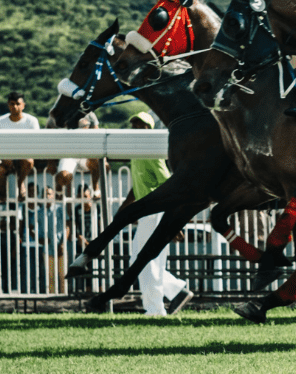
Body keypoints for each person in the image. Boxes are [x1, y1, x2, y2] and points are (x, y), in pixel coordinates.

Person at [122, 112, 193, 315]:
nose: (136, 128)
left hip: (156, 211)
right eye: (133, 124)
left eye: (140, 125)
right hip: (149, 211)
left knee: (145, 261)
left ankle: (155, 310)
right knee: (139, 260)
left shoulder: (152, 153)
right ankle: (177, 290)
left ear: (149, 129)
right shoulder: (138, 153)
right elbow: (139, 185)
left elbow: (169, 185)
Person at [0, 91, 39, 202]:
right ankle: (2, 190)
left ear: (23, 105)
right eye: (12, 103)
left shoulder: (31, 121)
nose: (14, 106)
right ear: (8, 105)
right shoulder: (0, 121)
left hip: (23, 158)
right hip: (6, 159)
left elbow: (36, 143)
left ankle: (21, 183)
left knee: (29, 161)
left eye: (17, 104)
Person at [50, 112, 107, 198]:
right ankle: (59, 187)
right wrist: (50, 162)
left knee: (97, 159)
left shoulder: (90, 114)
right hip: (69, 155)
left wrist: (104, 159)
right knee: (63, 177)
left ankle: (95, 188)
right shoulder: (65, 110)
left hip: (87, 156)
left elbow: (97, 137)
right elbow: (51, 128)